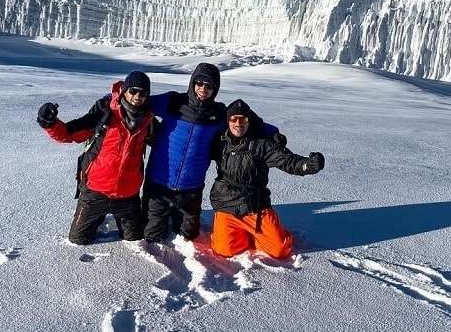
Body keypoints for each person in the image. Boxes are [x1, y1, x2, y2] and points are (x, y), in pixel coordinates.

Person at [36, 70, 155, 245]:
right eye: (133, 91)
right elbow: (69, 133)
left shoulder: (148, 120)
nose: (138, 96)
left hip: (128, 195)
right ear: (124, 90)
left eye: (143, 93)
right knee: (78, 240)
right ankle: (97, 217)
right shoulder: (105, 112)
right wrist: (50, 123)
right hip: (95, 191)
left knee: (133, 238)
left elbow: (166, 143)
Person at [143, 63, 247, 242]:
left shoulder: (219, 114)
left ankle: (178, 214)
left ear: (215, 88)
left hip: (190, 189)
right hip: (158, 185)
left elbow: (249, 121)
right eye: (199, 83)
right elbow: (140, 101)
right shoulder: (173, 102)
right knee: (151, 235)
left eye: (209, 86)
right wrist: (111, 99)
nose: (203, 89)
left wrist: (272, 133)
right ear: (193, 83)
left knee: (189, 236)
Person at [209, 98, 325, 259]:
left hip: (255, 206)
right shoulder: (219, 143)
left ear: (249, 121)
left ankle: (261, 233)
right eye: (233, 119)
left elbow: (287, 161)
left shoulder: (261, 145)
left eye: (243, 119)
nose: (238, 123)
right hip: (227, 205)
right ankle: (232, 232)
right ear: (227, 121)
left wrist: (308, 165)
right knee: (224, 251)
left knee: (280, 250)